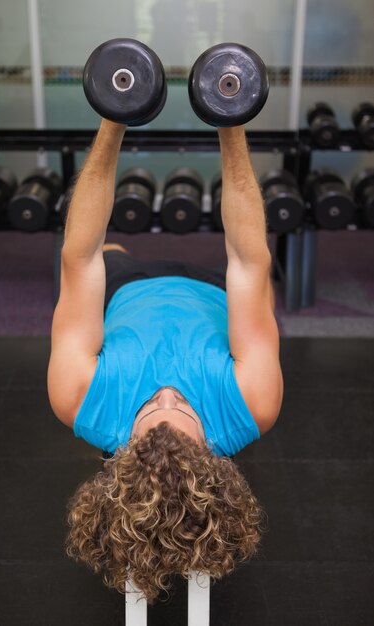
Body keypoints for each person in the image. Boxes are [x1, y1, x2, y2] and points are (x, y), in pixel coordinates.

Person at [47, 119, 284, 603]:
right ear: (214, 459)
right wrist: (231, 124)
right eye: (184, 411)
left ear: (120, 457)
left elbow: (81, 256)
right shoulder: (250, 403)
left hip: (129, 286)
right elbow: (246, 258)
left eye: (153, 410)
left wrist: (113, 120)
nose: (168, 394)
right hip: (216, 290)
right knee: (264, 280)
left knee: (103, 249)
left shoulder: (80, 398)